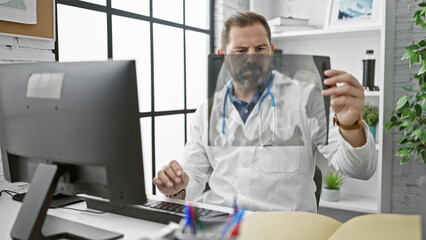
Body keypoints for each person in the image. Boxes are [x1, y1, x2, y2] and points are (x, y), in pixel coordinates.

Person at [153, 11, 377, 212]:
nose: (252, 58)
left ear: (271, 51)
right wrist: (176, 187)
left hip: (286, 232)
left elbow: (360, 169)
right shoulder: (206, 111)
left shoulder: (308, 101)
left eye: (260, 49)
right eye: (241, 51)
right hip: (222, 226)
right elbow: (194, 176)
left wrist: (350, 124)